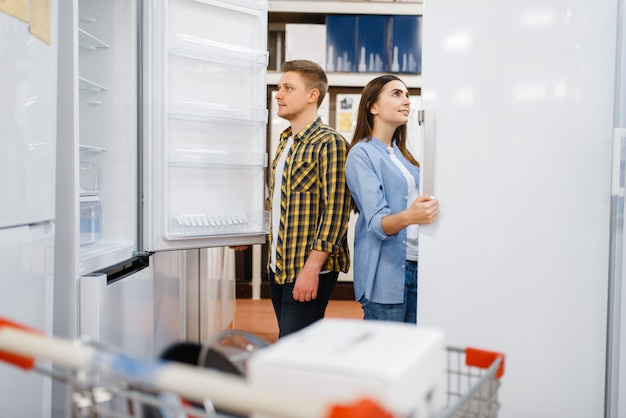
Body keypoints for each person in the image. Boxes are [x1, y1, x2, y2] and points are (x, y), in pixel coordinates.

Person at [266, 60, 351, 338]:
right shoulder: (284, 142)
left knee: (293, 353)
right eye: (279, 88)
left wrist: (311, 269)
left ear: (312, 95)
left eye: (288, 88)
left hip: (308, 268)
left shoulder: (330, 143)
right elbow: (278, 203)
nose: (278, 94)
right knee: (290, 346)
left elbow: (336, 212)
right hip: (279, 266)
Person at [345, 74, 439, 324]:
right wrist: (411, 216)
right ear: (373, 106)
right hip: (385, 274)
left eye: (407, 95)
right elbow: (377, 223)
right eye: (396, 94)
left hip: (418, 266)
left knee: (410, 356)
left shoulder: (404, 156)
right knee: (383, 356)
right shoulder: (361, 154)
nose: (406, 100)